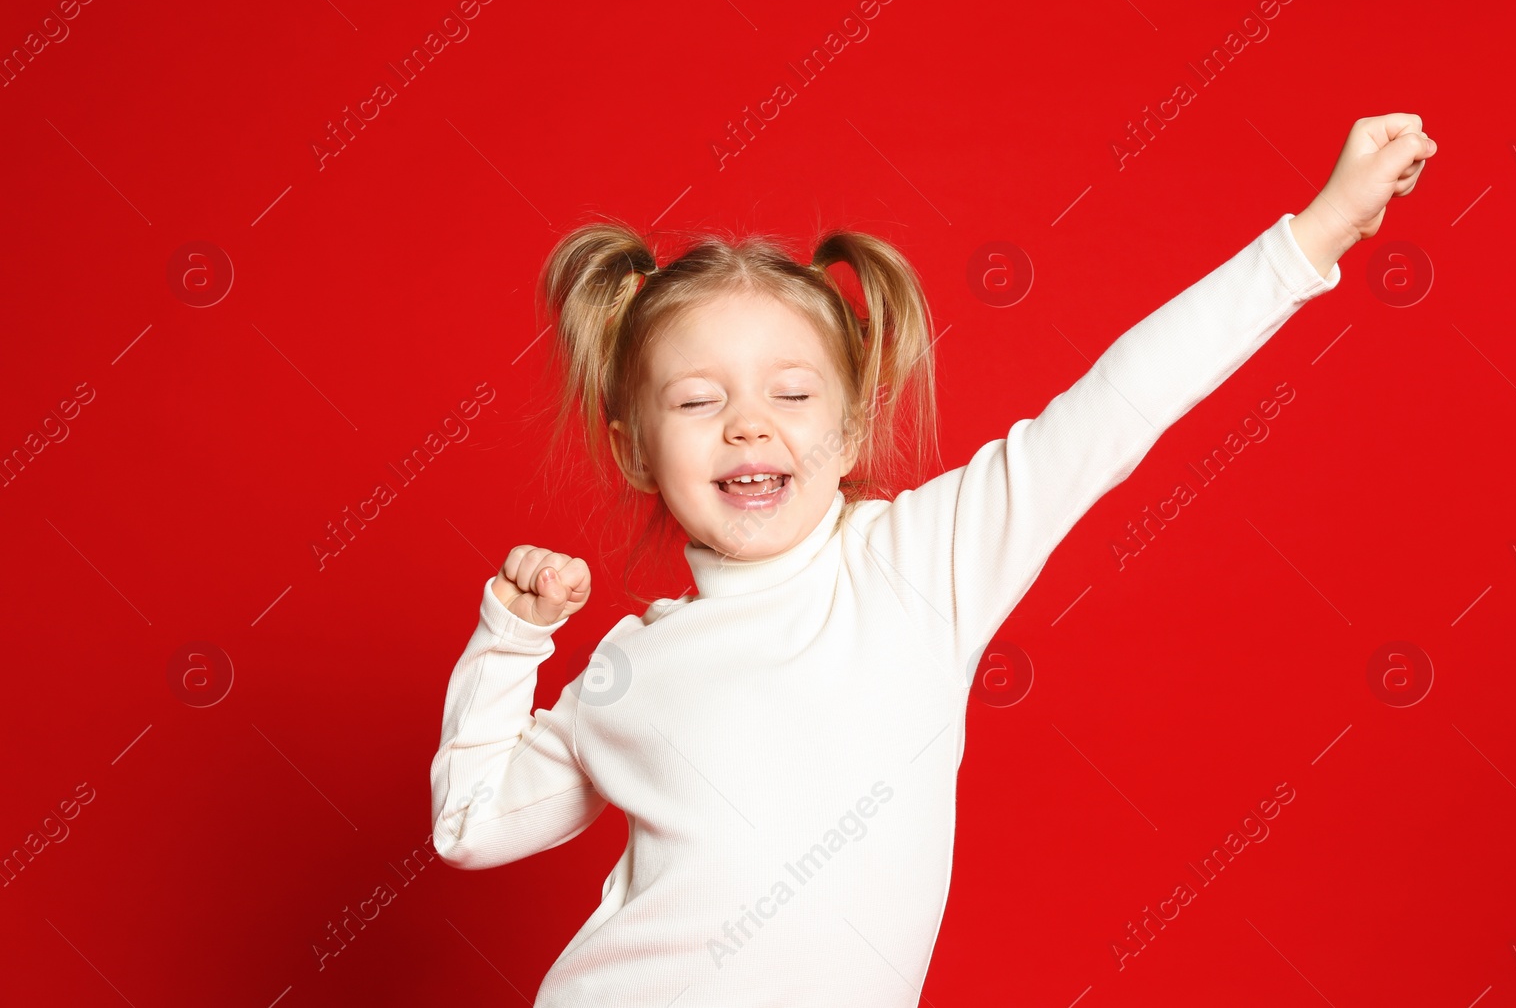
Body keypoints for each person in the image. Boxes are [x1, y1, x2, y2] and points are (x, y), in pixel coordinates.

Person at [429, 114, 1437, 1006]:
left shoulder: (921, 562)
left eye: (790, 394)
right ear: (633, 446)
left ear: (854, 424)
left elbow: (1114, 404)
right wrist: (510, 637)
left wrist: (1316, 234)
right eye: (697, 401)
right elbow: (469, 824)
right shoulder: (630, 665)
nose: (746, 426)